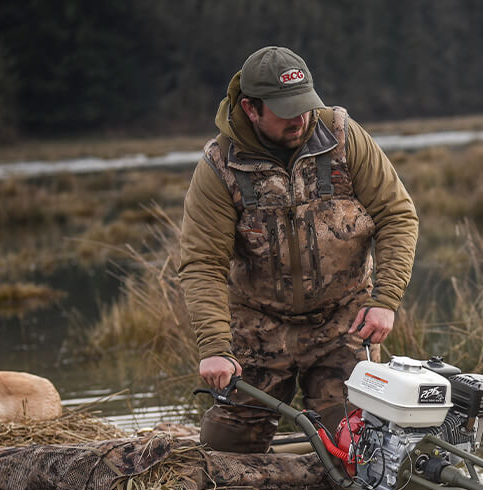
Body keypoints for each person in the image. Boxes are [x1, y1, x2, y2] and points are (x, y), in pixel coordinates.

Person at [178, 46, 418, 452]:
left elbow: (398, 216)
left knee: (361, 450)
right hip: (258, 328)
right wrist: (216, 349)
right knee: (225, 452)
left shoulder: (342, 136)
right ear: (252, 109)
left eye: (304, 106)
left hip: (343, 322)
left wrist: (385, 301)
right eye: (286, 111)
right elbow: (202, 263)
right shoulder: (219, 165)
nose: (300, 119)